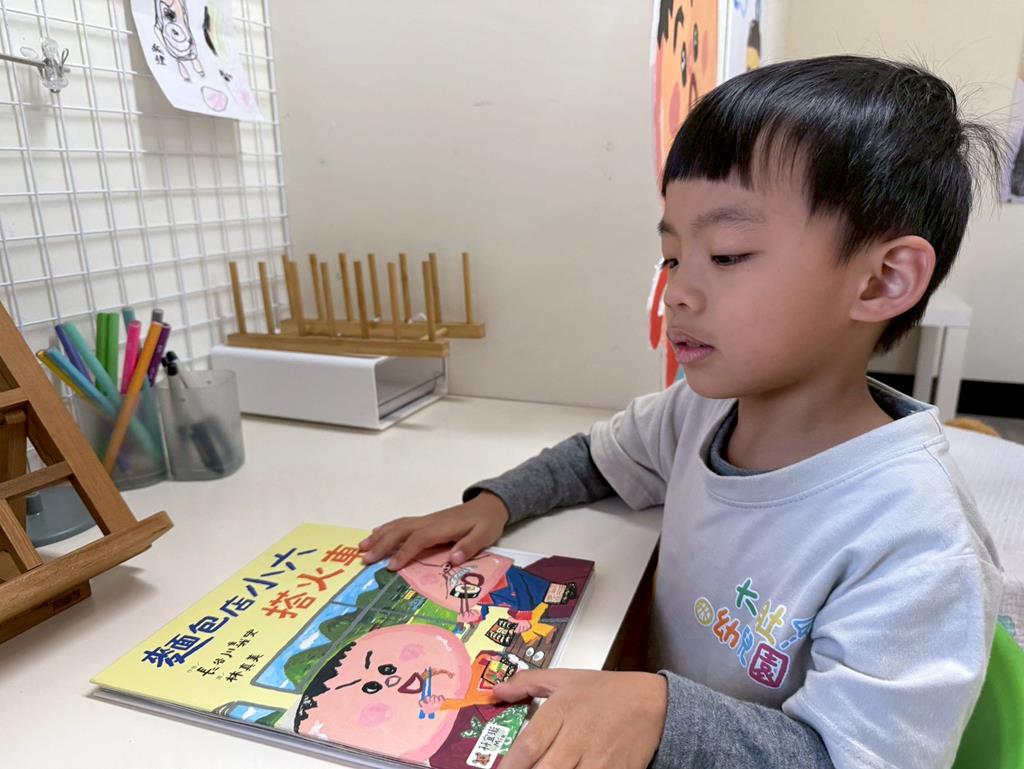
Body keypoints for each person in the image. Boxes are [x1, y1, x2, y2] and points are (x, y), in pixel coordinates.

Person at [359, 55, 1005, 769]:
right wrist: (497, 502)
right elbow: (596, 457)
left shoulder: (917, 544)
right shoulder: (697, 411)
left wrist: (661, 714)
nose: (678, 293)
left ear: (882, 280)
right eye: (671, 257)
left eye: (727, 255)